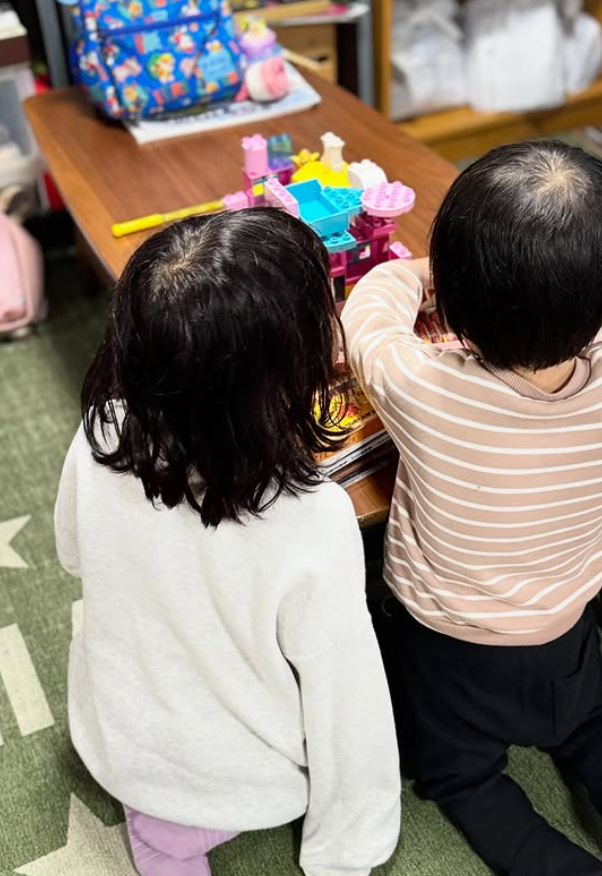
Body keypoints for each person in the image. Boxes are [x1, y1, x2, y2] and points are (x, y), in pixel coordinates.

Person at [341, 140, 602, 876]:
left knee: (461, 777)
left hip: (449, 648)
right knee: (590, 724)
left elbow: (370, 309)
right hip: (564, 631)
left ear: (456, 303)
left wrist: (428, 272)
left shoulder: (424, 388)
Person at [54, 208, 401, 876]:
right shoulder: (313, 518)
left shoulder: (103, 431)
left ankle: (161, 832)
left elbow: (73, 553)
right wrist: (346, 851)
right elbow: (346, 702)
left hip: (118, 737)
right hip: (242, 780)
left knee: (163, 826)